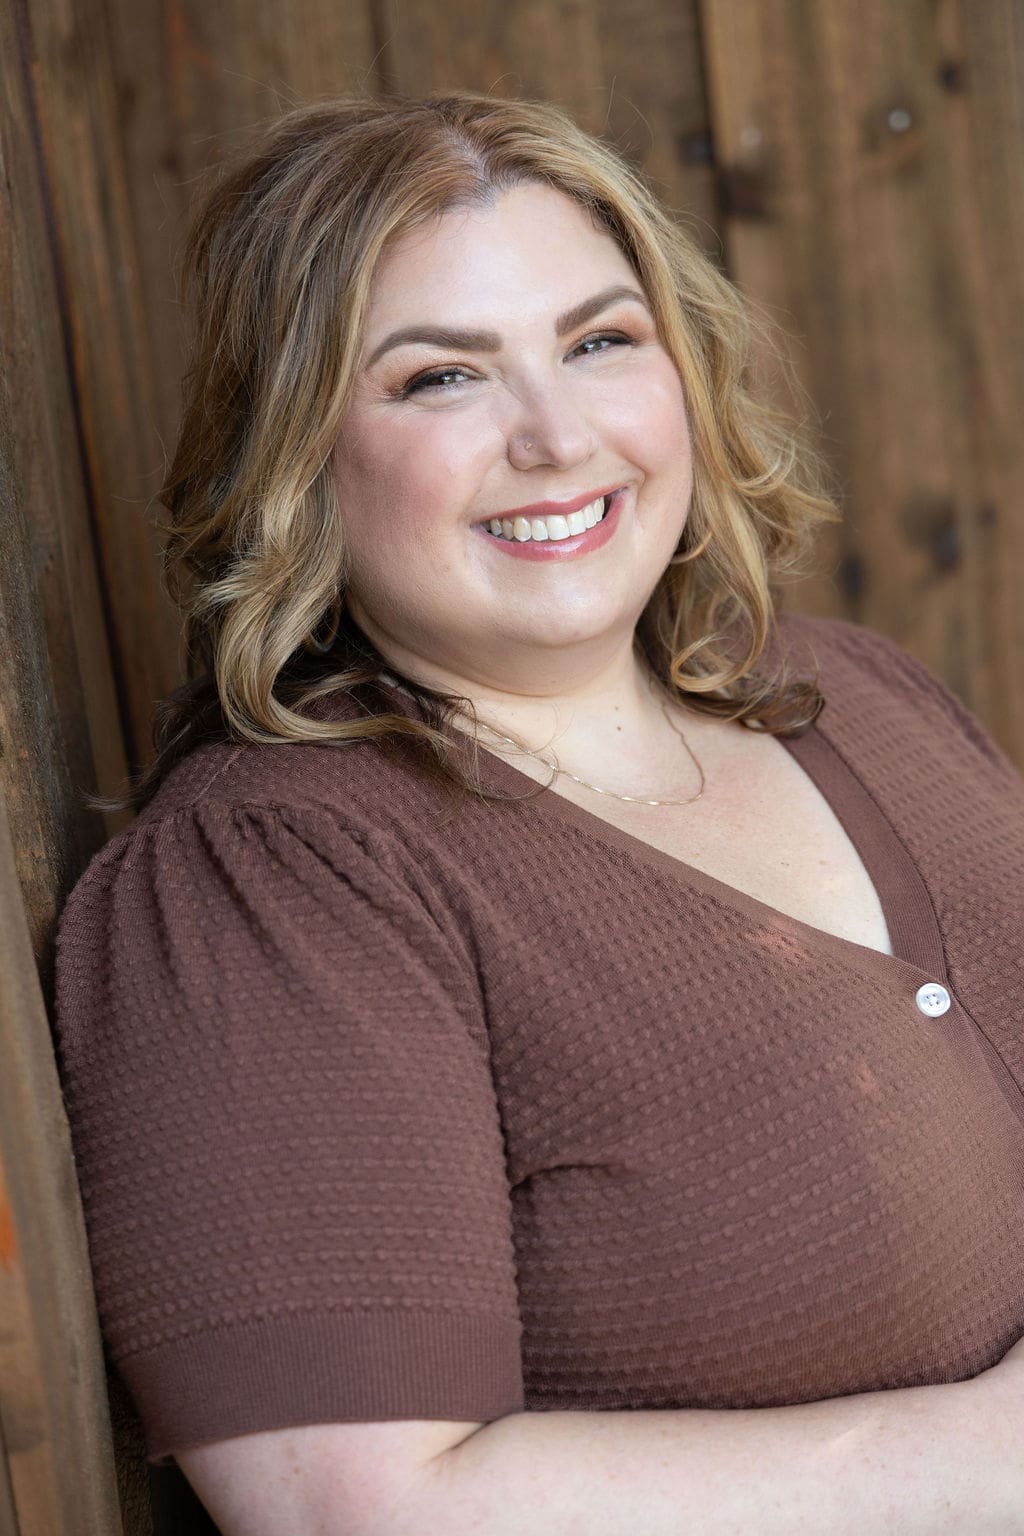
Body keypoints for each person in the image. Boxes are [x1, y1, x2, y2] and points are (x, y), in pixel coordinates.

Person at [54, 91, 1024, 1535]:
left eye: (600, 341)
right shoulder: (279, 881)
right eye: (440, 378)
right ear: (300, 455)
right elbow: (363, 1511)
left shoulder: (851, 691)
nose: (556, 435)